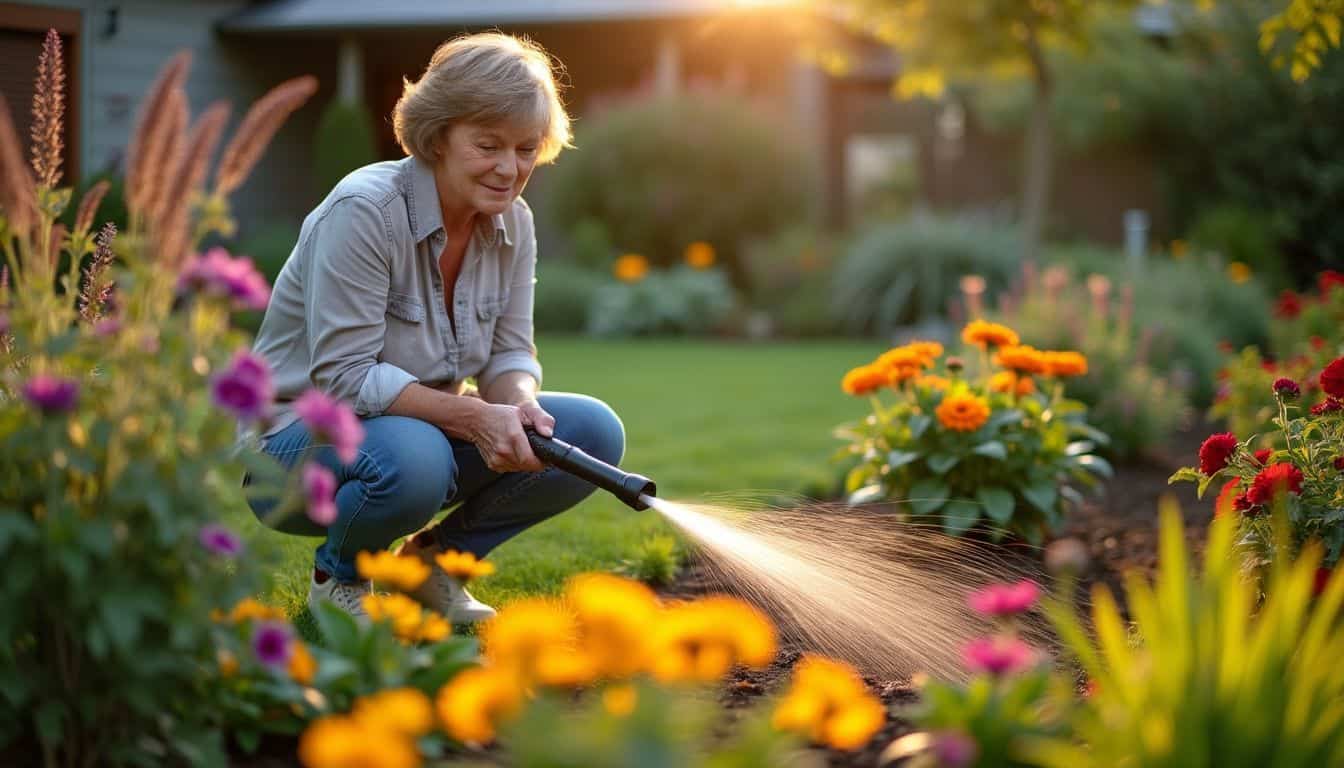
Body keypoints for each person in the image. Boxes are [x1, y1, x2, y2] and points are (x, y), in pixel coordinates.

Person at [245, 33, 625, 624]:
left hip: (414, 436)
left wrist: (519, 406)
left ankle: (431, 567)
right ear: (438, 135)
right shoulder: (365, 211)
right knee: (417, 454)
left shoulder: (513, 223)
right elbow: (344, 381)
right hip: (293, 453)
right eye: (488, 144)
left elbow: (509, 353)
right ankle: (339, 580)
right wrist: (476, 417)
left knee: (590, 434)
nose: (510, 168)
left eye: (526, 148)